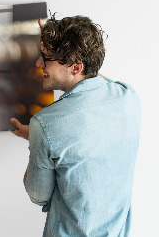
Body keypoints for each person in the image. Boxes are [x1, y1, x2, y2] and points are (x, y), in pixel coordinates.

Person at [10, 15, 140, 236]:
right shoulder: (128, 96)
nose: (38, 63)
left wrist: (37, 140)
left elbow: (38, 196)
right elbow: (93, 77)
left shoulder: (45, 125)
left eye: (46, 58)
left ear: (76, 67)